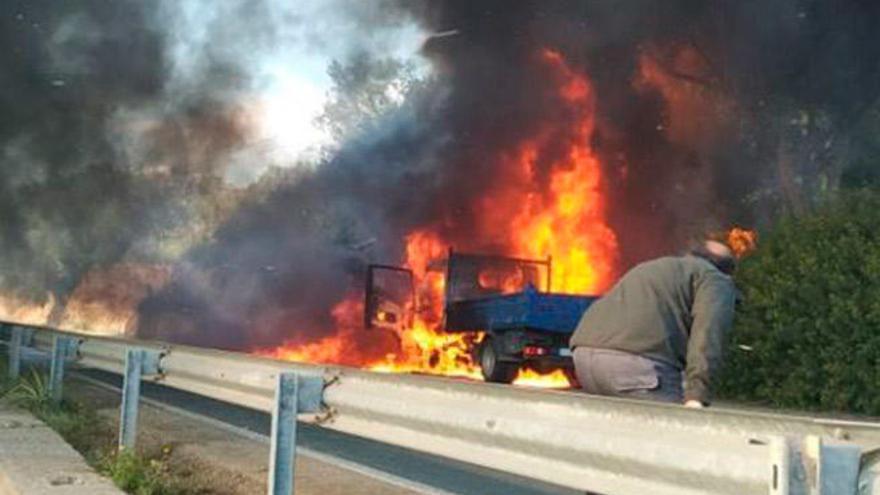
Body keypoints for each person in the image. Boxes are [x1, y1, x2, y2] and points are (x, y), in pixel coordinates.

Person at [569, 240, 737, 408]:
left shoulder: (654, 267)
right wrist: (697, 394)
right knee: (671, 430)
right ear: (728, 271)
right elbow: (707, 336)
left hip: (584, 358)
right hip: (635, 366)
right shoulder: (715, 279)